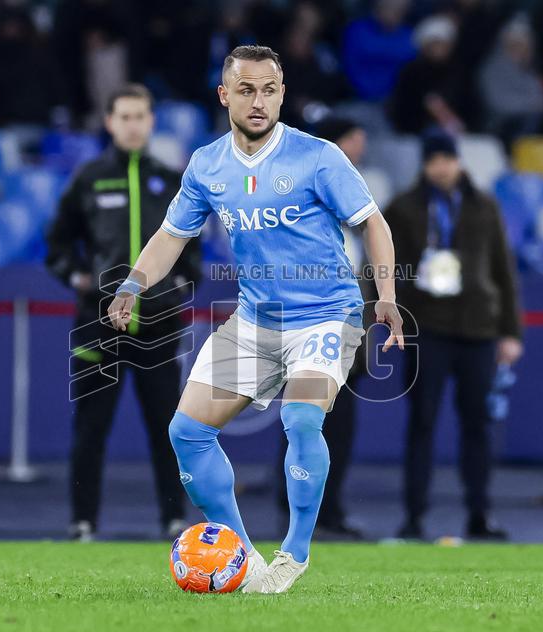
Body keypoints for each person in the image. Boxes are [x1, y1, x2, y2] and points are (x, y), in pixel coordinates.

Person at [106, 45, 403, 593]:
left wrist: (384, 295)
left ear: (283, 93)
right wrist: (133, 283)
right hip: (257, 318)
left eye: (269, 89)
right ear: (225, 95)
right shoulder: (207, 164)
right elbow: (173, 235)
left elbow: (374, 224)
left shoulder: (318, 156)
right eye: (246, 90)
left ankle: (294, 553)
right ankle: (244, 556)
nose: (259, 100)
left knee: (302, 419)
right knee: (187, 431)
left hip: (326, 314)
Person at [45, 84, 199, 542]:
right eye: (124, 117)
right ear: (110, 123)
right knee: (90, 430)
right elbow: (55, 245)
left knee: (166, 430)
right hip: (97, 325)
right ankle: (82, 522)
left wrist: (174, 288)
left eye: (140, 116)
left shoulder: (172, 182)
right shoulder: (89, 179)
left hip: (158, 327)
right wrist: (77, 278)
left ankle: (174, 519)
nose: (133, 125)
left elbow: (192, 254)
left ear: (152, 123)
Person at [386, 130, 523, 542]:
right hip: (428, 329)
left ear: (458, 162)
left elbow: (504, 270)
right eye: (434, 160)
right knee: (421, 423)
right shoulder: (406, 208)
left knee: (477, 425)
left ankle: (479, 515)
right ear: (424, 165)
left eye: (447, 159)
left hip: (479, 328)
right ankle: (413, 517)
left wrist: (510, 331)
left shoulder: (483, 206)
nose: (441, 167)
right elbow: (386, 266)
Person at [274, 117, 371, 540]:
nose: (358, 150)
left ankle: (328, 508)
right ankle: (293, 505)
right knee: (303, 419)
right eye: (351, 140)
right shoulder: (298, 195)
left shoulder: (356, 198)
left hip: (345, 330)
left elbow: (364, 271)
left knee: (339, 425)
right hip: (307, 326)